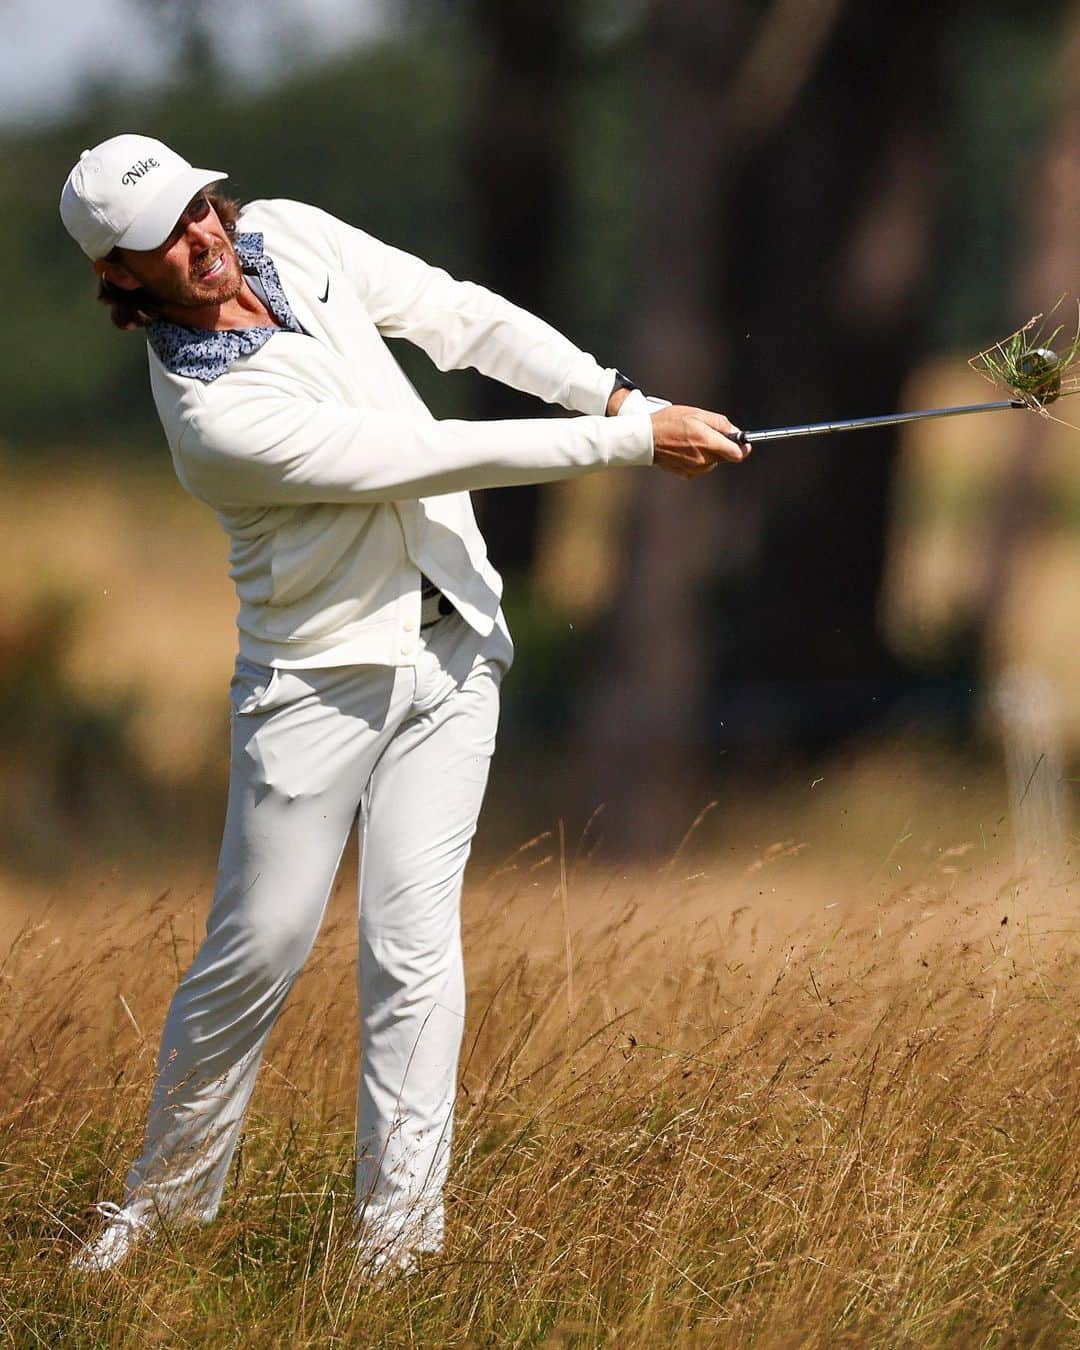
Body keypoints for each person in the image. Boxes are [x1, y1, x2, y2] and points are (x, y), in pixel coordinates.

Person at [59, 133, 748, 1275]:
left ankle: (397, 1247)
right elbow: (423, 455)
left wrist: (620, 391)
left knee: (411, 948)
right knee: (261, 945)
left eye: (199, 209)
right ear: (121, 278)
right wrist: (632, 442)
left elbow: (458, 316)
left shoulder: (293, 231)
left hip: (456, 654)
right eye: (165, 240)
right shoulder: (212, 422)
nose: (202, 241)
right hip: (315, 685)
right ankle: (164, 1212)